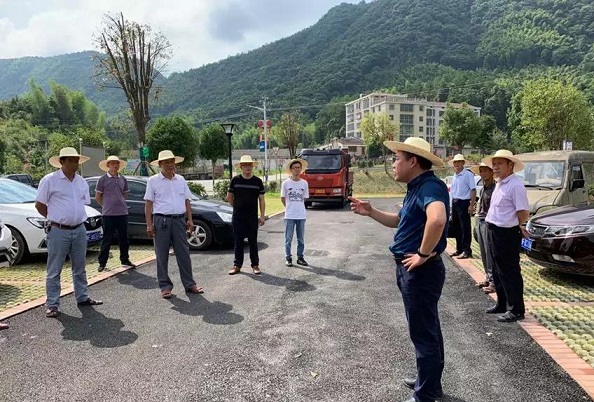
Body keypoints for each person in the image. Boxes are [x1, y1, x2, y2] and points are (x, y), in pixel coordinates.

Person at [350, 137, 448, 402]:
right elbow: (400, 221)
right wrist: (371, 211)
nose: (393, 163)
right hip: (414, 269)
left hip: (420, 271)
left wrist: (423, 254)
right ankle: (429, 382)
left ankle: (425, 394)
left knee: (423, 333)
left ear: (413, 161)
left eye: (397, 159)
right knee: (427, 328)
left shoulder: (430, 187)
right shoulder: (417, 188)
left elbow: (437, 220)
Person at [35, 147, 103, 318]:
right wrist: (55, 218)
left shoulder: (81, 182)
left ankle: (82, 296)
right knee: (54, 269)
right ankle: (52, 304)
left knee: (80, 266)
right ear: (61, 162)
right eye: (71, 160)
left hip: (79, 229)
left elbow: (82, 204)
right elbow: (39, 205)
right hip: (58, 230)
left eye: (76, 160)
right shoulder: (50, 180)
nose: (74, 164)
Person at [144, 150, 204, 299]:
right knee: (161, 254)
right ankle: (165, 287)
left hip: (179, 220)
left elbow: (187, 201)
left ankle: (190, 284)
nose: (170, 164)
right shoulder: (153, 181)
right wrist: (149, 224)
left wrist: (190, 220)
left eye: (172, 161)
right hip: (161, 220)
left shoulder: (180, 180)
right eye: (166, 162)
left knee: (184, 253)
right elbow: (148, 204)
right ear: (160, 164)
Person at [483, 150, 530, 323]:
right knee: (497, 269)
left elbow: (523, 212)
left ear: (510, 165)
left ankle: (516, 309)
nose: (495, 167)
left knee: (509, 271)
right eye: (494, 164)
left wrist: (517, 224)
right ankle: (502, 303)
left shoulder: (515, 186)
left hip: (506, 233)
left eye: (499, 164)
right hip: (494, 230)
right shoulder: (500, 183)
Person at [226, 155, 266, 275]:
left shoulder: (257, 181)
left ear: (252, 166)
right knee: (238, 241)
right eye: (245, 165)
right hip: (238, 216)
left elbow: (262, 199)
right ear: (241, 167)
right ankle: (237, 265)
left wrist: (262, 216)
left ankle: (255, 265)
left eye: (249, 165)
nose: (247, 168)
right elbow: (229, 197)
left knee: (253, 241)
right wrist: (237, 206)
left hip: (252, 216)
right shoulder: (235, 180)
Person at [95, 155, 136, 272]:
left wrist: (119, 202)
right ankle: (102, 262)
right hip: (108, 214)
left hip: (122, 213)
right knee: (107, 239)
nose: (115, 165)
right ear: (108, 165)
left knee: (124, 239)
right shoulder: (102, 179)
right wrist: (106, 205)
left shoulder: (123, 179)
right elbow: (98, 196)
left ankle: (125, 259)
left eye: (117, 163)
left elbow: (124, 194)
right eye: (113, 163)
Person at [470, 163, 496, 294]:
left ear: (491, 172)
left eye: (486, 171)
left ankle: (493, 282)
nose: (483, 173)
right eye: (481, 171)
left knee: (490, 252)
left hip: (488, 223)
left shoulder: (495, 188)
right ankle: (487, 277)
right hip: (480, 221)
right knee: (483, 252)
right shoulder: (483, 189)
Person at [281, 158, 309, 267]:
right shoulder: (286, 183)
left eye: (298, 167)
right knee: (288, 238)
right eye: (294, 168)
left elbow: (304, 198)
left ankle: (300, 257)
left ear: (301, 169)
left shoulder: (304, 183)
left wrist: (298, 206)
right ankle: (288, 258)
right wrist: (289, 207)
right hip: (289, 215)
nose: (296, 169)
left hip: (301, 215)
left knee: (300, 239)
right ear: (291, 169)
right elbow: (283, 198)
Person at [448, 154, 476, 259]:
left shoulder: (468, 175)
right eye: (455, 162)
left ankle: (466, 250)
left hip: (464, 202)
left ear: (463, 163)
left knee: (465, 227)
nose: (457, 164)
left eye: (459, 162)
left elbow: (473, 190)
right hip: (455, 202)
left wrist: (471, 205)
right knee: (456, 227)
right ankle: (459, 249)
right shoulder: (455, 175)